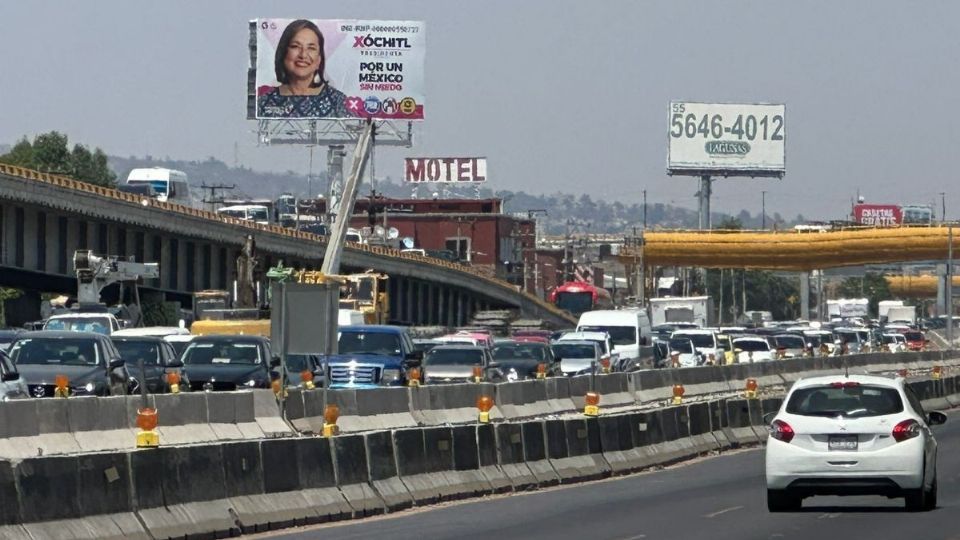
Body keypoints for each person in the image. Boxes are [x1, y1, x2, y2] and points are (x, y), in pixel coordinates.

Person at [258, 19, 353, 118]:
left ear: (319, 59)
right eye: (295, 46)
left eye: (311, 48)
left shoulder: (338, 102)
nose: (303, 55)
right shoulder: (263, 103)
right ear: (283, 53)